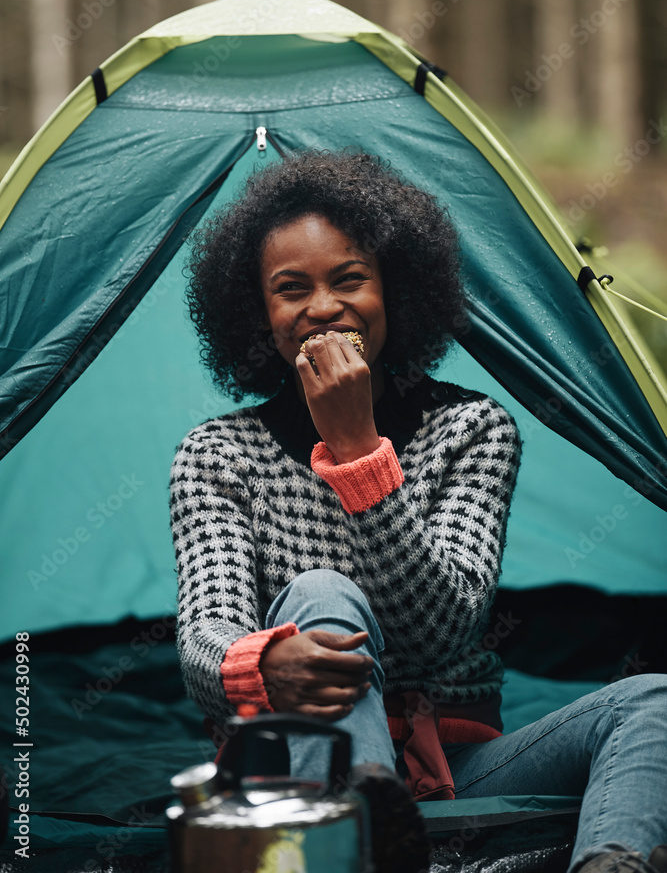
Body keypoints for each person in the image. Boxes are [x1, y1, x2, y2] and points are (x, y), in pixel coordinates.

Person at [170, 149, 667, 873]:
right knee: (317, 590)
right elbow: (202, 638)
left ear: (393, 291)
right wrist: (261, 662)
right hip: (298, 776)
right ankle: (366, 827)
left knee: (651, 700)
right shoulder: (216, 454)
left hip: (455, 774)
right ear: (257, 313)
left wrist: (355, 449)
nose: (322, 308)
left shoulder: (472, 430)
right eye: (289, 290)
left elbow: (442, 630)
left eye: (349, 280)